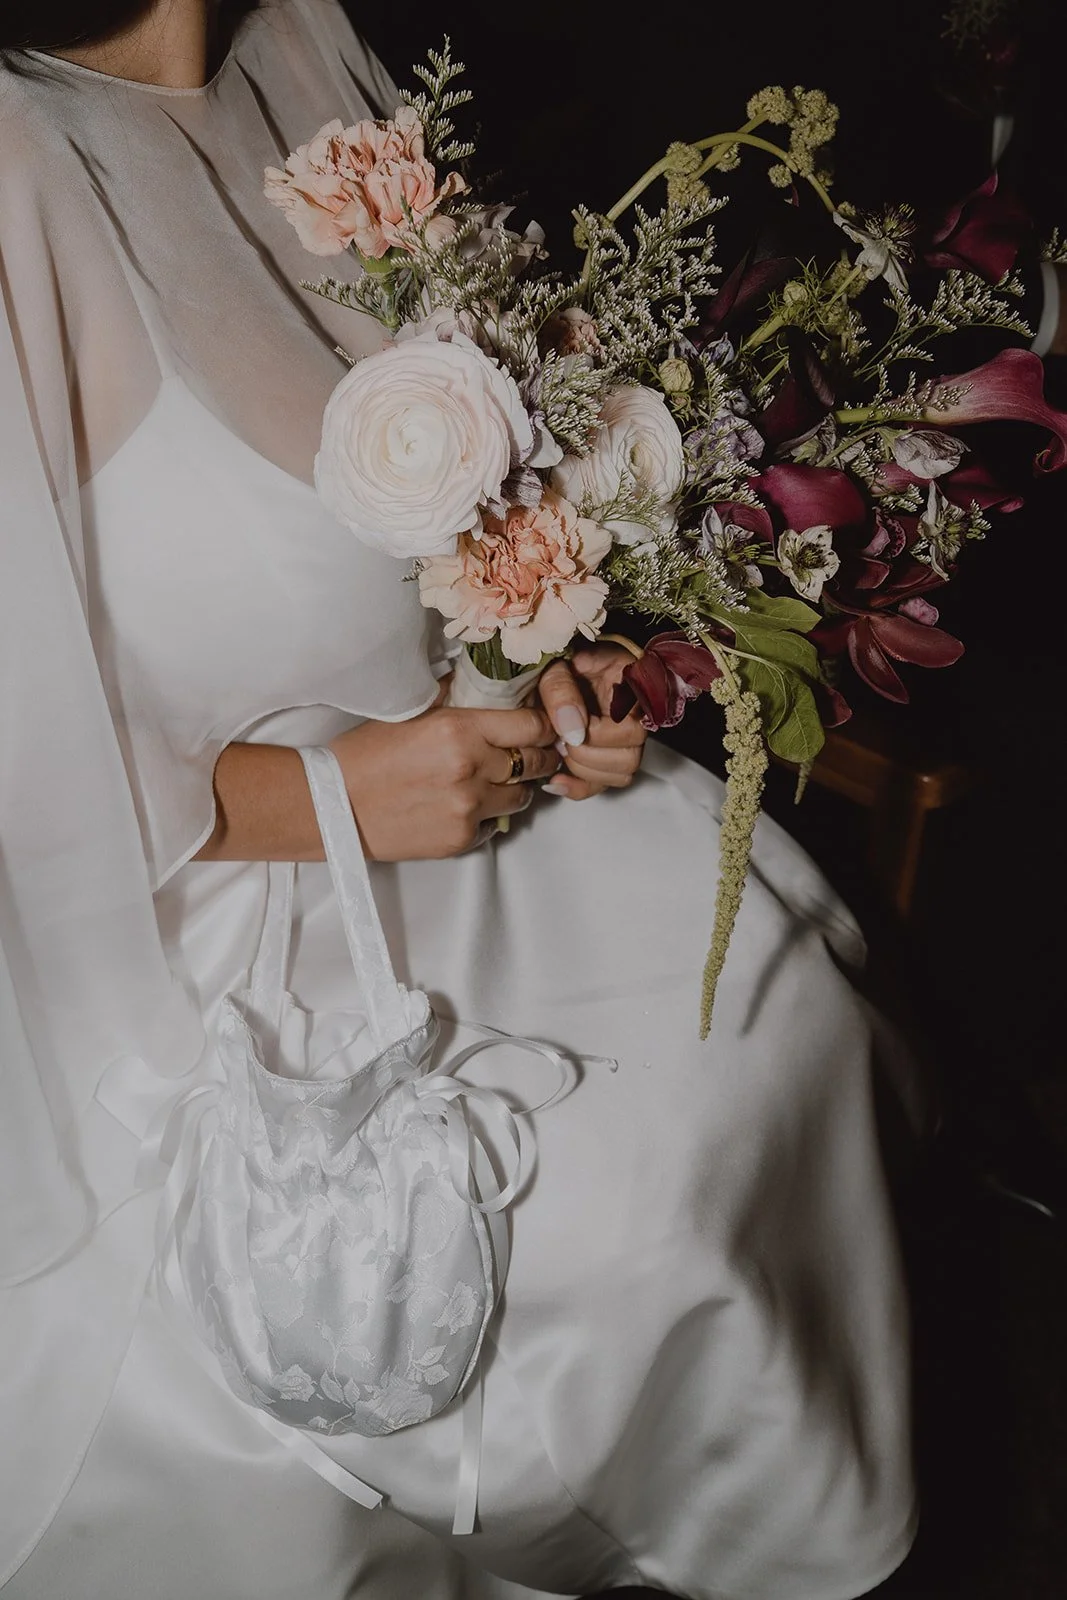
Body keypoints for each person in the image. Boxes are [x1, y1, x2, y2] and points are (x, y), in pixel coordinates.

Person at [0, 2, 919, 1596]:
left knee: (766, 1031)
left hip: (462, 816)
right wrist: (321, 798)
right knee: (570, 1219)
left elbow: (467, 493)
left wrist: (552, 657)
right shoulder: (15, 164)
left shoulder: (308, 45)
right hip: (156, 922)